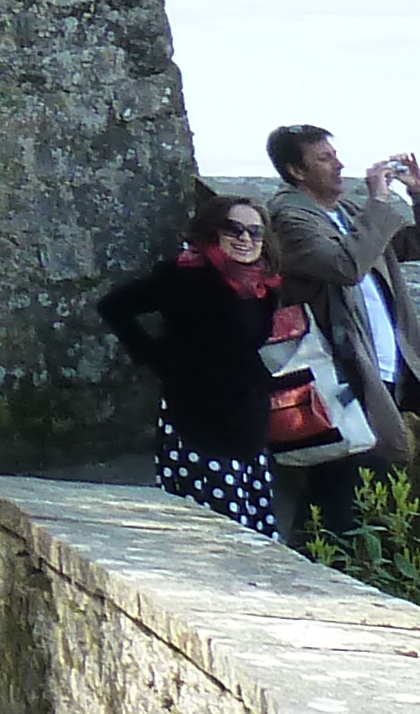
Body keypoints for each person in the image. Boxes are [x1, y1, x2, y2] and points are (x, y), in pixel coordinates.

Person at [262, 124, 420, 538]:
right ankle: (319, 571)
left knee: (367, 481)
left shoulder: (348, 213)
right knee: (343, 487)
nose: (339, 166)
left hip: (387, 368)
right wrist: (377, 200)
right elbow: (344, 266)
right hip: (341, 380)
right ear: (296, 171)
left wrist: (419, 195)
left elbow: (418, 244)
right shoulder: (291, 218)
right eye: (324, 158)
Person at [97, 195, 287, 540]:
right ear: (212, 231)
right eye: (234, 229)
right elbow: (114, 306)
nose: (245, 239)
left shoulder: (263, 286)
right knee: (215, 524)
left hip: (246, 415)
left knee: (252, 523)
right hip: (197, 415)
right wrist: (157, 358)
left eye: (255, 233)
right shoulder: (183, 278)